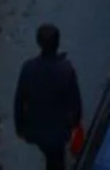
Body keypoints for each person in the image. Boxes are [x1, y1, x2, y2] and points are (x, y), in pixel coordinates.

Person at [13, 24, 83, 170]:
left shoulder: (28, 68)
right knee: (56, 159)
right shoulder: (65, 69)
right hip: (59, 130)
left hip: (36, 129)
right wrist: (75, 123)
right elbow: (75, 101)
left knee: (51, 155)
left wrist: (20, 127)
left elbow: (19, 101)